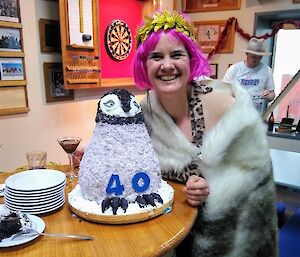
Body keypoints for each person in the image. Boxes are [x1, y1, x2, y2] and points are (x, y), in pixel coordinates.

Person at [133, 10, 278, 257]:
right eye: (156, 57)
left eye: (176, 55)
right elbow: (131, 172)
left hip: (225, 244)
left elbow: (255, 188)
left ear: (190, 60)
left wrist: (212, 189)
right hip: (164, 237)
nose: (167, 65)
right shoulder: (140, 113)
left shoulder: (228, 109)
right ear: (144, 66)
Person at [223, 37, 275, 113]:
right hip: (235, 113)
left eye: (259, 57)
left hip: (255, 115)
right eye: (253, 56)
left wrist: (268, 96)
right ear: (247, 53)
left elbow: (272, 94)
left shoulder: (267, 70)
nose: (256, 60)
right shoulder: (234, 69)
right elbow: (224, 90)